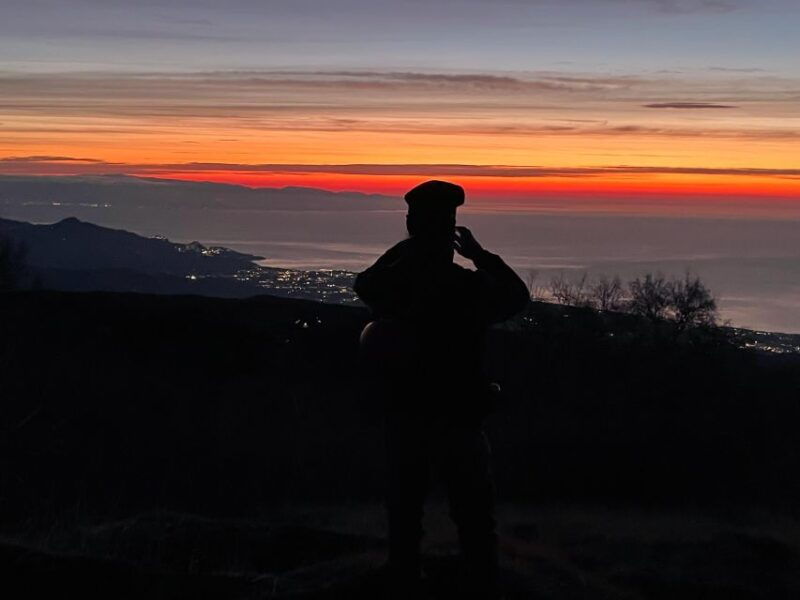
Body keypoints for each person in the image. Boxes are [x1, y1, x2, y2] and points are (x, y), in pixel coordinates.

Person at [354, 180, 529, 598]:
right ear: (452, 232)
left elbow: (365, 283)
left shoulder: (397, 287)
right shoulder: (467, 287)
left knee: (405, 507)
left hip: (408, 414)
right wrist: (481, 257)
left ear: (412, 225)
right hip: (460, 416)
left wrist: (405, 248)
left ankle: (404, 576)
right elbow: (517, 297)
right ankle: (481, 580)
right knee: (472, 511)